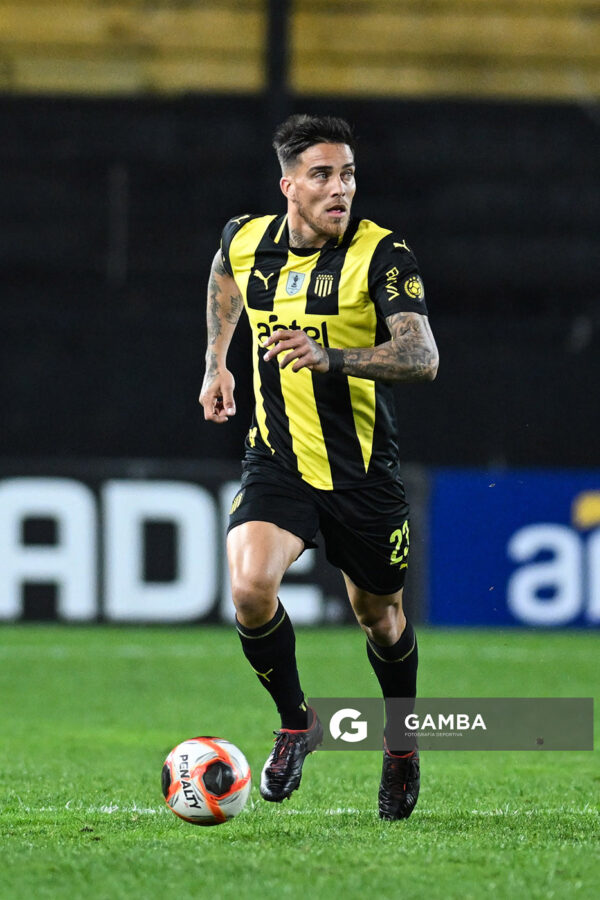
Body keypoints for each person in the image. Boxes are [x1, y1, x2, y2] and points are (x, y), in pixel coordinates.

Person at [199, 114, 438, 820]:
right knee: (249, 588)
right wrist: (218, 361)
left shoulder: (382, 256)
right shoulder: (247, 238)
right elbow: (224, 270)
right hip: (278, 460)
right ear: (289, 186)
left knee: (381, 619)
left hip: (362, 474)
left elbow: (422, 358)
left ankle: (400, 746)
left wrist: (331, 356)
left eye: (350, 174)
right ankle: (297, 723)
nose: (342, 189)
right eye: (324, 176)